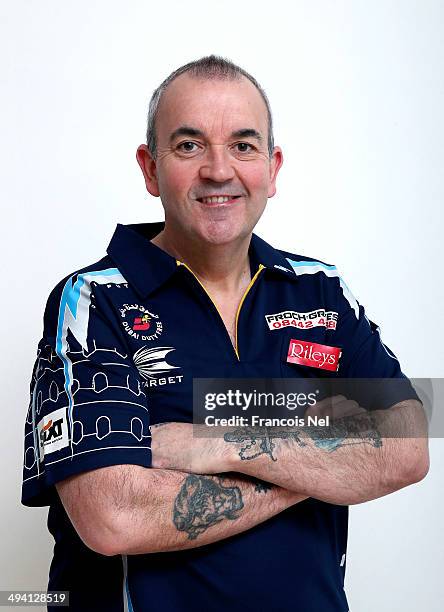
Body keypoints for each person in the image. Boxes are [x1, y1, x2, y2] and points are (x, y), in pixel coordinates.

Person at [22, 55, 429, 612]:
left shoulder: (321, 290)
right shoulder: (93, 302)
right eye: (189, 146)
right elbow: (113, 516)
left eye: (243, 145)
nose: (219, 170)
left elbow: (408, 444)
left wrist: (208, 441)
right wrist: (330, 462)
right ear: (149, 168)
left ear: (273, 165)